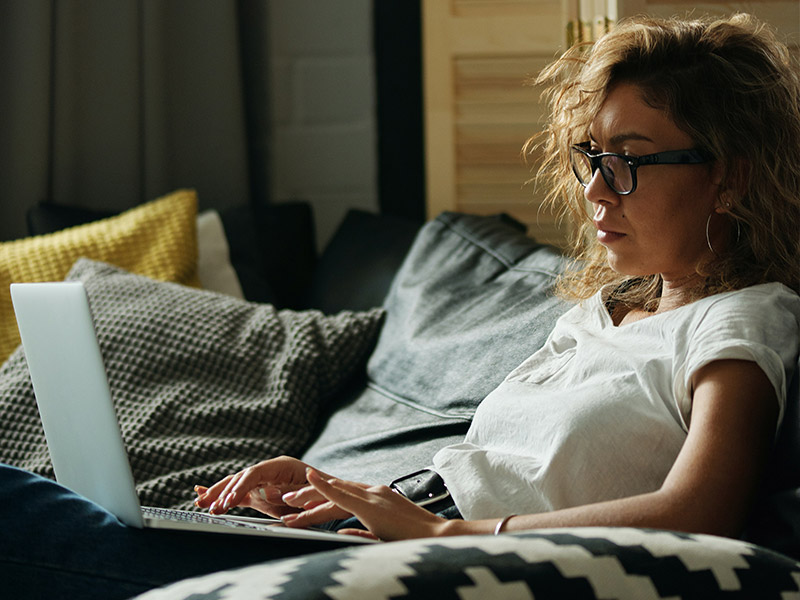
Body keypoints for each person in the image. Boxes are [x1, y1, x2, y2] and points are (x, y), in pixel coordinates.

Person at [3, 11, 800, 599]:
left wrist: (439, 534)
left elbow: (702, 512)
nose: (594, 189)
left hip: (445, 562)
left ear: (729, 177)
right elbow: (489, 472)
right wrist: (328, 490)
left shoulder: (741, 318)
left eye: (629, 161)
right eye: (592, 156)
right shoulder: (599, 315)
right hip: (403, 531)